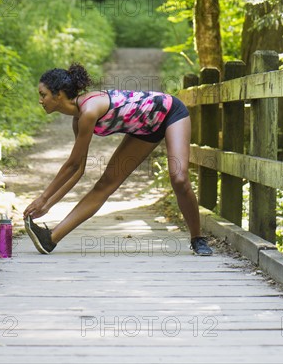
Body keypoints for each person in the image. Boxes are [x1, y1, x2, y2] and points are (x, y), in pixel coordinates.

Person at [23, 63, 213, 256]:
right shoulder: (79, 119)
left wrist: (43, 198)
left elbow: (71, 166)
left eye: (43, 94)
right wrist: (47, 205)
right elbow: (78, 169)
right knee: (105, 184)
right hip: (144, 130)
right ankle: (51, 239)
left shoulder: (89, 111)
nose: (40, 100)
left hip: (170, 113)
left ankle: (197, 238)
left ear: (59, 95)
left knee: (179, 178)